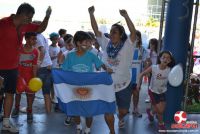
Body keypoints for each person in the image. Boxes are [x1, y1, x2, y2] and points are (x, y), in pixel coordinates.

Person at [0, 3, 51, 133]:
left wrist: (47, 16)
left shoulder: (26, 25)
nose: (30, 20)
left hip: (13, 68)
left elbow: (40, 28)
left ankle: (6, 122)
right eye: (30, 17)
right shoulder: (3, 23)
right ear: (23, 14)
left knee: (10, 93)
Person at [88, 6, 136, 132]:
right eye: (111, 31)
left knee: (123, 111)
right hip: (107, 84)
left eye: (114, 32)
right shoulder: (106, 43)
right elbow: (96, 30)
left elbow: (133, 33)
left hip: (124, 85)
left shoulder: (128, 45)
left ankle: (120, 118)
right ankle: (112, 131)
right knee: (108, 110)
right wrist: (91, 13)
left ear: (121, 35)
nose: (111, 33)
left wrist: (126, 16)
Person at [61, 31, 113, 134]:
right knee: (76, 110)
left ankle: (88, 129)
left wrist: (107, 69)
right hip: (74, 88)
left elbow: (101, 64)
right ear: (78, 43)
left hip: (89, 88)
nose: (89, 44)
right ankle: (79, 126)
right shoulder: (70, 56)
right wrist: (57, 73)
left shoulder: (91, 55)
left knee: (89, 112)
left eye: (89, 42)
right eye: (86, 42)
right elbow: (64, 71)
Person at [136, 50, 175, 131]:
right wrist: (139, 84)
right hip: (153, 92)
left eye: (168, 58)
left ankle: (150, 113)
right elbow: (141, 74)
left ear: (170, 61)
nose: (165, 59)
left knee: (160, 109)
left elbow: (175, 78)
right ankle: (161, 125)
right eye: (164, 57)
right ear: (160, 58)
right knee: (160, 111)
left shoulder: (170, 70)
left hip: (163, 92)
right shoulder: (154, 67)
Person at [11, 32, 39, 123]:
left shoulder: (35, 51)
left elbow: (34, 66)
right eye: (32, 39)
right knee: (18, 94)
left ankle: (29, 111)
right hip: (19, 76)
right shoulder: (19, 49)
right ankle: (16, 108)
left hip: (30, 77)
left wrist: (35, 79)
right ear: (26, 39)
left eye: (35, 39)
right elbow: (14, 63)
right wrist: (15, 75)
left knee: (30, 96)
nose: (35, 41)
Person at [131, 30, 147, 118]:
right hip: (127, 76)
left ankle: (135, 109)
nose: (135, 38)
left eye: (137, 36)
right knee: (126, 95)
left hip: (137, 76)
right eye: (133, 36)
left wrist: (144, 72)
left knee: (136, 94)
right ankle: (123, 112)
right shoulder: (127, 48)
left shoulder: (142, 49)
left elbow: (145, 62)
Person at [144, 38, 159, 103]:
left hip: (156, 69)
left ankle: (154, 96)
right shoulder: (148, 51)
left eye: (153, 44)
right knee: (149, 83)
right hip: (150, 69)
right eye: (150, 44)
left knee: (155, 83)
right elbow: (147, 60)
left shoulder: (158, 52)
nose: (151, 46)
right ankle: (149, 96)